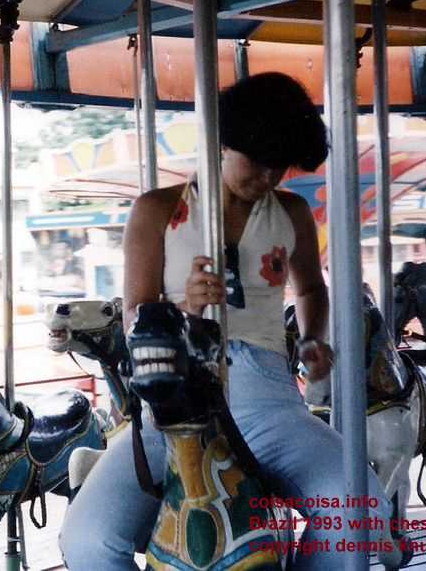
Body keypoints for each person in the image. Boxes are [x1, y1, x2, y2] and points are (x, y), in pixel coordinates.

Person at [59, 73, 391, 570]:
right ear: (223, 143)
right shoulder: (157, 211)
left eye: (279, 167)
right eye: (257, 163)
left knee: (361, 515)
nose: (268, 178)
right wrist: (185, 311)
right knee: (87, 540)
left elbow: (310, 289)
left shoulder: (292, 214)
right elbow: (134, 317)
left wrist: (311, 340)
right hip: (172, 401)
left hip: (269, 402)